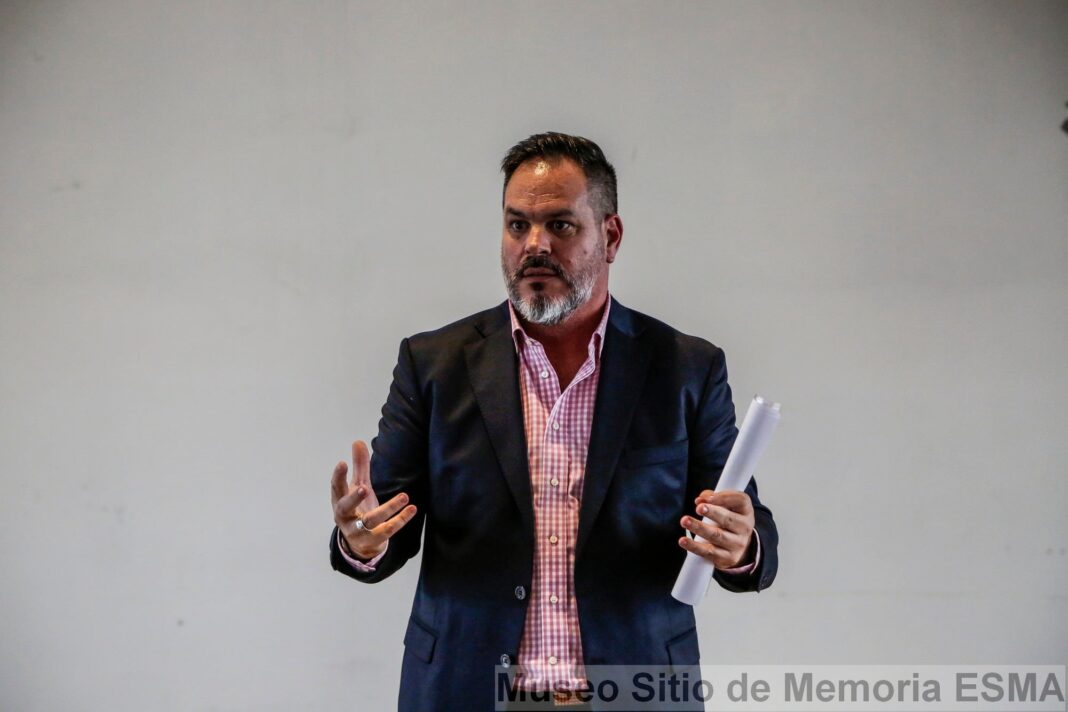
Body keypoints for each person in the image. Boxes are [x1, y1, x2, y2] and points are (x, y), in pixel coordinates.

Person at [328, 132, 778, 711]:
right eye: (517, 225)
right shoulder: (433, 365)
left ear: (610, 237)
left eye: (560, 225)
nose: (534, 245)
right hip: (466, 692)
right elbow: (383, 525)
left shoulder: (687, 368)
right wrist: (360, 540)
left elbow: (745, 524)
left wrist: (741, 546)